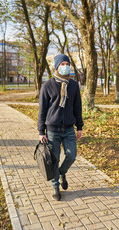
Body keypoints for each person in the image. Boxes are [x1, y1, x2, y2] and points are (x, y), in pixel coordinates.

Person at [38, 54, 83, 201]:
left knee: (71, 155)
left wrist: (80, 126)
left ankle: (62, 172)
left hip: (69, 128)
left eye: (67, 63)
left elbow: (78, 108)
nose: (65, 66)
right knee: (55, 159)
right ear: (56, 66)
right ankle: (55, 186)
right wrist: (41, 131)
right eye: (62, 64)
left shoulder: (74, 85)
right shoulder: (47, 86)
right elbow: (42, 110)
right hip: (52, 129)